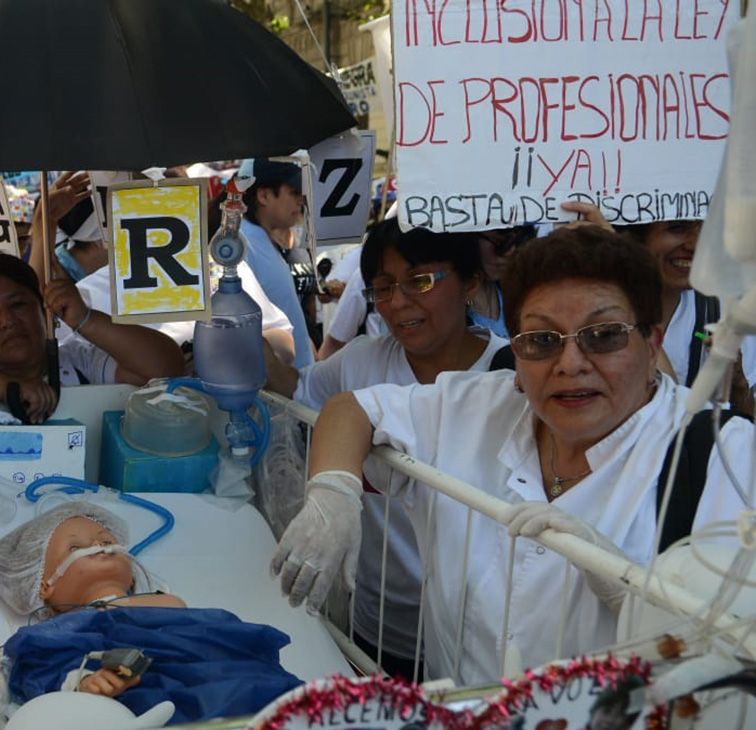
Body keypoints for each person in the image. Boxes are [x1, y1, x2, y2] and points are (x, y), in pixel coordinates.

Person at [271, 225, 753, 685]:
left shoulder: (725, 460)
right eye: (541, 341)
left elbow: (739, 657)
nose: (570, 364)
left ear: (652, 345)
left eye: (603, 335)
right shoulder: (478, 403)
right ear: (516, 356)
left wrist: (640, 600)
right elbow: (351, 408)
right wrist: (334, 490)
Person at [264, 221, 507, 679]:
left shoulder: (509, 378)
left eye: (420, 281)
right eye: (382, 286)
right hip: (374, 622)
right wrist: (246, 336)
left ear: (471, 282)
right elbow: (301, 392)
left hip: (473, 639)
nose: (398, 302)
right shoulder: (362, 360)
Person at [0, 502, 302, 723]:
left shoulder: (167, 603)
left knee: (265, 692)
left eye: (106, 539)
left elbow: (223, 643)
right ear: (44, 585)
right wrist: (82, 684)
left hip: (233, 682)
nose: (101, 546)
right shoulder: (60, 628)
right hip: (146, 704)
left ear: (132, 573)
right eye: (75, 548)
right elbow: (41, 670)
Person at [0, 252, 184, 423]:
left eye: (18, 305)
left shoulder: (78, 361)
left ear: (44, 310)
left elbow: (166, 368)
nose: (8, 322)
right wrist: (7, 388)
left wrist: (85, 319)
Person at [560, 202, 755, 412]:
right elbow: (668, 408)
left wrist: (737, 385)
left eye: (709, 228)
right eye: (677, 227)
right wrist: (622, 265)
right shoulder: (578, 317)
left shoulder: (728, 313)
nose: (696, 245)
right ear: (632, 236)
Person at [238, 159, 315, 369]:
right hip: (278, 389)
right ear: (264, 195)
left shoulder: (256, 239)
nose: (301, 200)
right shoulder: (240, 243)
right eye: (293, 192)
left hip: (295, 381)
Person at [469, 226, 536, 339]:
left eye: (517, 242)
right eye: (500, 242)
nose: (509, 253)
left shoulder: (521, 292)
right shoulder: (449, 304)